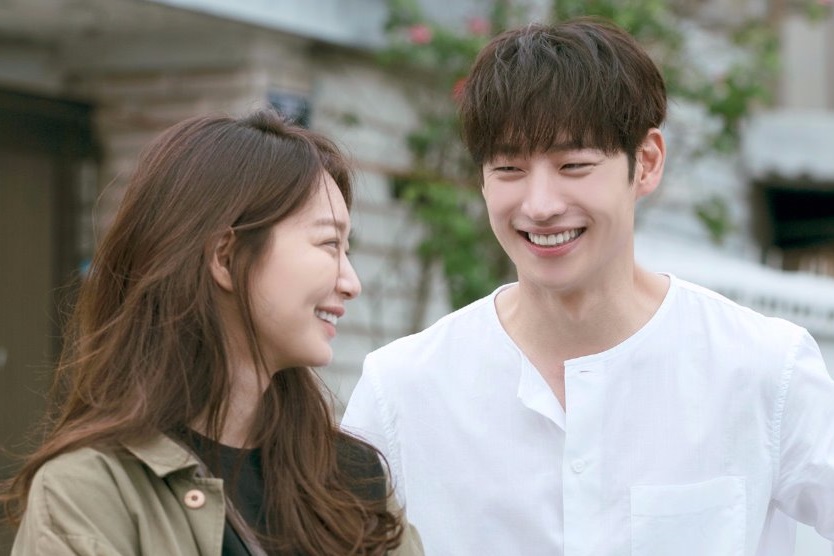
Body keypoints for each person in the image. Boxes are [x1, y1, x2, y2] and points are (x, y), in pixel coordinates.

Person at [341, 17, 834, 555]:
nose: (540, 205)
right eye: (509, 169)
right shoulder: (403, 390)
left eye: (574, 165)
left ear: (646, 163)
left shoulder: (762, 367)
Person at [2, 108, 422, 555]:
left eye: (347, 250)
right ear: (225, 257)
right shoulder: (91, 492)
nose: (351, 283)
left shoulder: (354, 480)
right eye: (328, 244)